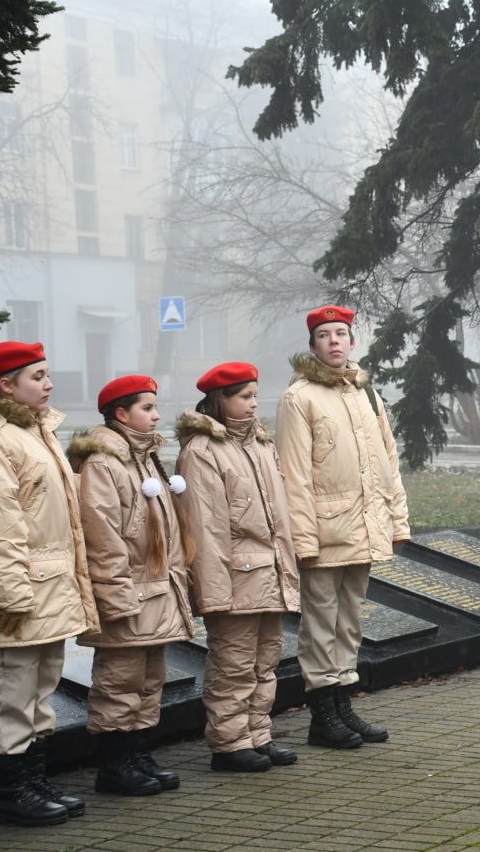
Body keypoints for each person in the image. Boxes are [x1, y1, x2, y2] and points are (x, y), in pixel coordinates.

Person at [0, 341, 98, 826]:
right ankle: (11, 793)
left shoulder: (32, 431)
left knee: (39, 690)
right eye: (38, 376)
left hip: (47, 584)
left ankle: (33, 780)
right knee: (13, 693)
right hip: (17, 591)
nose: (49, 383)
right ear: (6, 385)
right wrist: (14, 596)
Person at [276, 305, 410, 750]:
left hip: (364, 527)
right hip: (325, 530)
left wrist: (396, 520)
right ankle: (322, 714)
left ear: (352, 341)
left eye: (341, 333)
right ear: (312, 345)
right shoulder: (300, 398)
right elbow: (293, 475)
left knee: (349, 621)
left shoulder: (366, 395)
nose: (334, 341)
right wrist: (304, 539)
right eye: (324, 335)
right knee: (321, 623)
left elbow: (389, 463)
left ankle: (344, 703)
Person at [68, 376, 195, 797]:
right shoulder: (106, 463)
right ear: (120, 414)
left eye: (155, 407)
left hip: (155, 590)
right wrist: (117, 597)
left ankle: (139, 755)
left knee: (149, 679)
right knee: (119, 682)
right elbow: (102, 538)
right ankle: (115, 765)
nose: (156, 415)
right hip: (130, 593)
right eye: (147, 408)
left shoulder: (144, 456)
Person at [177, 363, 301, 772]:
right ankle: (229, 744)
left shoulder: (260, 445)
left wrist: (286, 570)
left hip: (268, 574)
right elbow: (205, 529)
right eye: (244, 397)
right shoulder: (202, 451)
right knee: (233, 664)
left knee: (265, 660)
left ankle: (257, 735)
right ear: (220, 400)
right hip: (233, 580)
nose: (253, 404)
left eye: (253, 395)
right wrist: (213, 593)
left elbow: (278, 519)